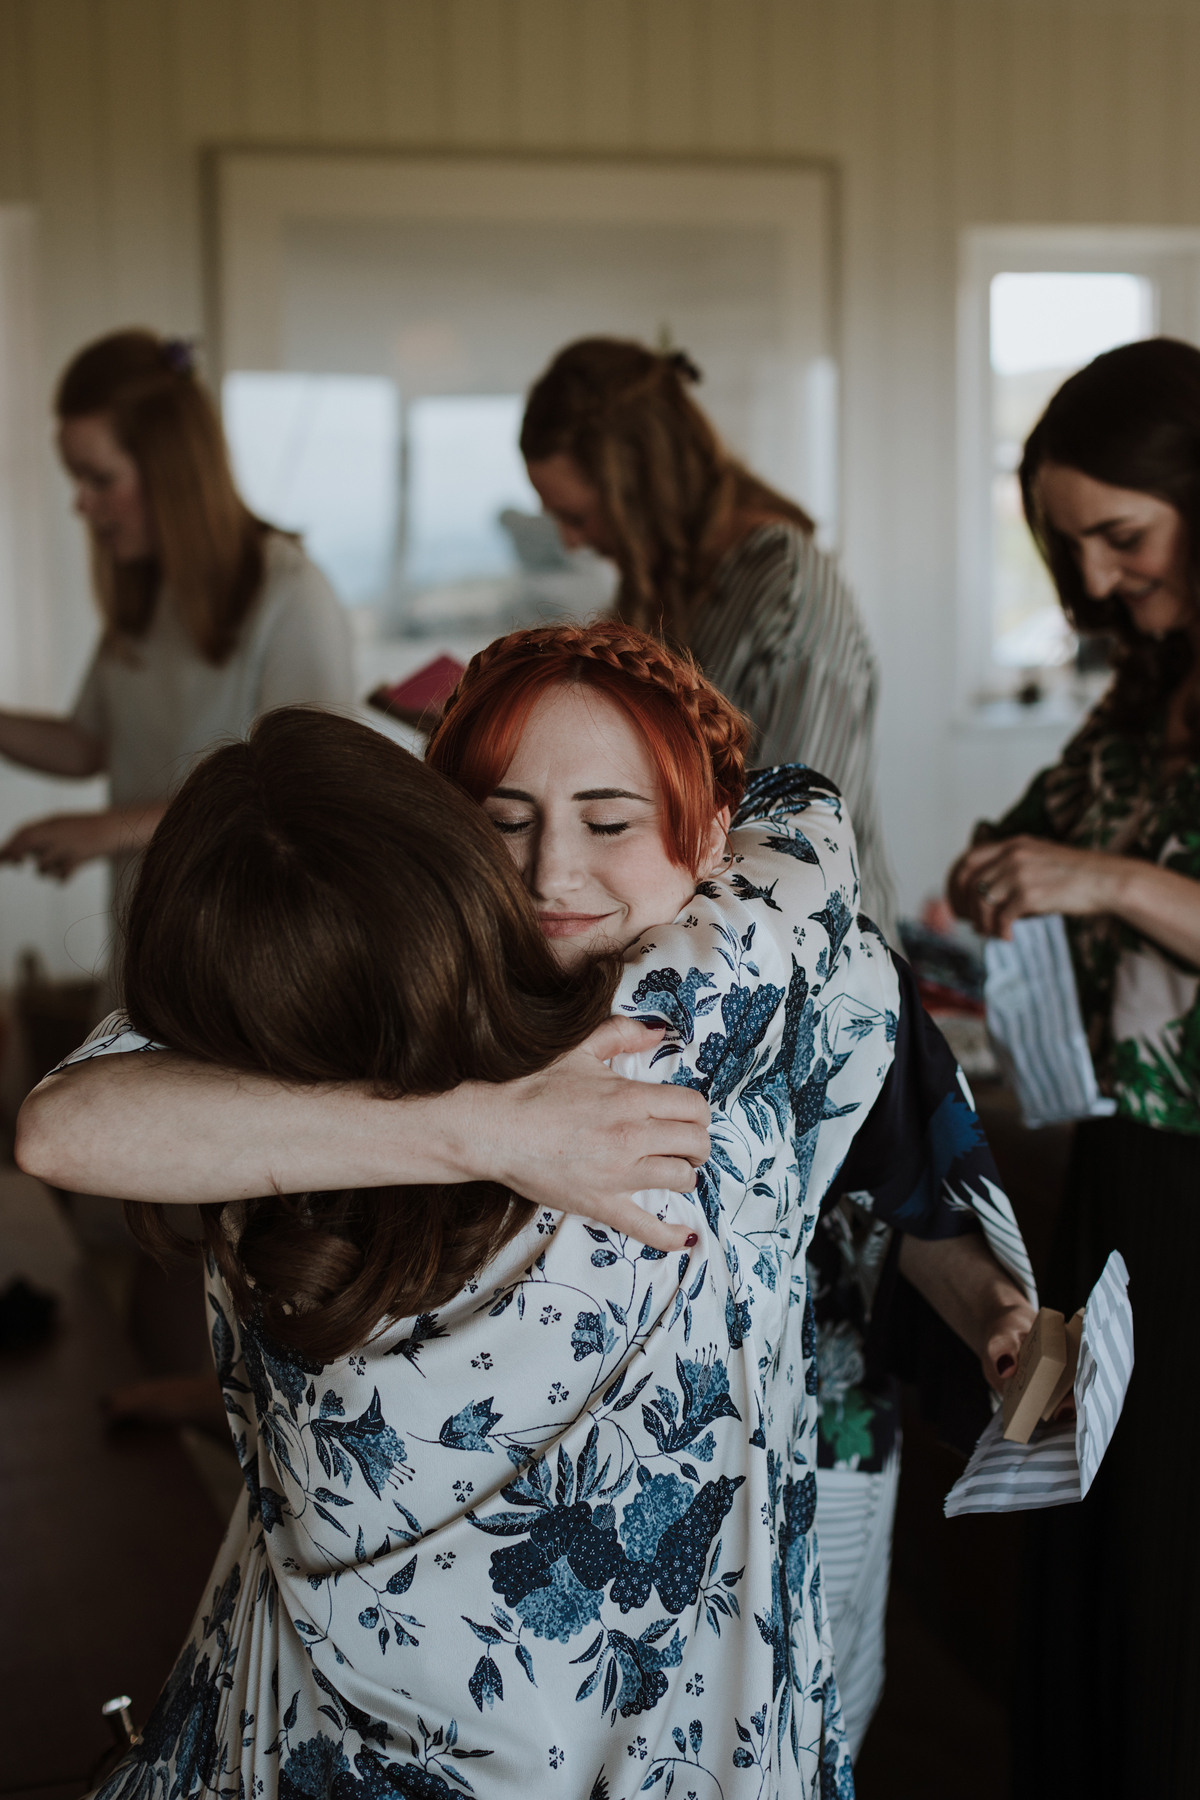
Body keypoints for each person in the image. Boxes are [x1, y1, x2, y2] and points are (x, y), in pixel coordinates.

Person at [24, 626, 1034, 1773]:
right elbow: (801, 811)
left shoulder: (737, 1001)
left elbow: (66, 1124)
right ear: (438, 844)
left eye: (609, 821)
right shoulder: (366, 1014)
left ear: (709, 836)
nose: (551, 873)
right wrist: (488, 1128)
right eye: (501, 823)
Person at [946, 337, 1200, 1798]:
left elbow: (1104, 872)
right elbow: (1049, 834)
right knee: (1096, 1520)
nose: (1095, 579)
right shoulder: (1144, 691)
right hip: (1119, 1170)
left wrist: (1097, 881)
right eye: (1069, 545)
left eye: (1125, 534)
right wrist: (1005, 870)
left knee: (1175, 1553)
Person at [518, 336, 899, 940]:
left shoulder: (784, 590)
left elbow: (796, 834)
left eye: (580, 517)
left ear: (639, 488)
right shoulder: (672, 585)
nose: (571, 542)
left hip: (802, 960)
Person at [0, 327, 352, 936]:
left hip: (245, 949)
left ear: (170, 470)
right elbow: (86, 745)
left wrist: (104, 830)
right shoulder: (146, 598)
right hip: (147, 936)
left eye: (99, 478)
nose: (81, 505)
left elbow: (307, 799)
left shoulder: (289, 595)